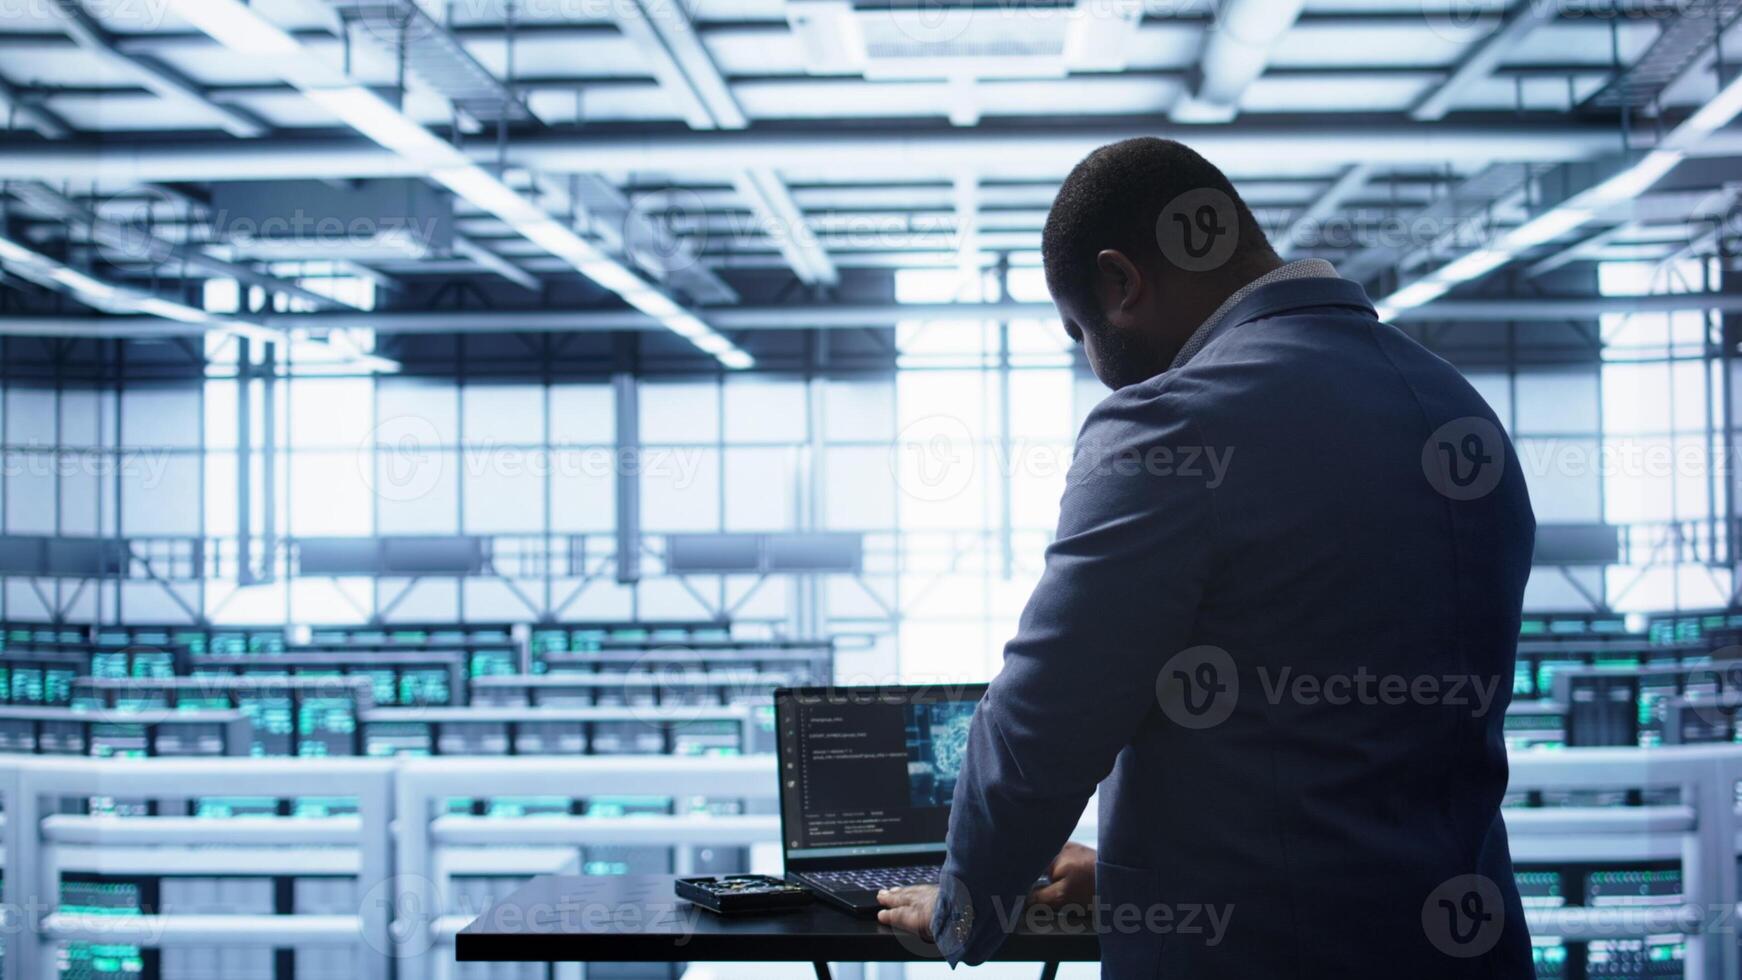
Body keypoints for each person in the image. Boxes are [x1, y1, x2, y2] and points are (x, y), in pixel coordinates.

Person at [876, 138, 1536, 977]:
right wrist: (1133, 882)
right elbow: (1345, 759)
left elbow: (1044, 722)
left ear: (1121, 283)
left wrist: (964, 905)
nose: (1093, 363)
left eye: (1079, 331)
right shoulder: (1454, 408)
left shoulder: (1175, 425)